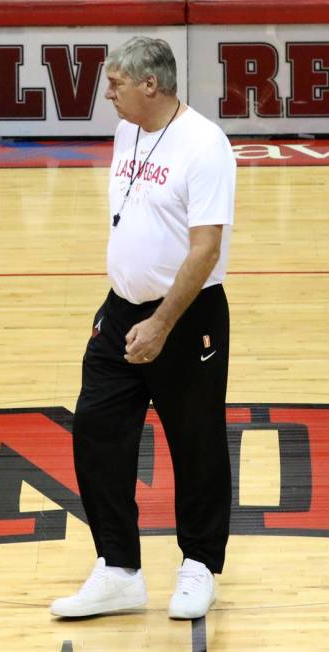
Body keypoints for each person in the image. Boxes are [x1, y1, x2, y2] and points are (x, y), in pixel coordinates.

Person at [50, 36, 235, 620]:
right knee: (97, 433)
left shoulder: (205, 146)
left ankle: (199, 564)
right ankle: (119, 569)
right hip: (123, 310)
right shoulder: (129, 128)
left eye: (117, 83)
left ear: (150, 84)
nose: (109, 93)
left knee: (195, 442)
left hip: (186, 316)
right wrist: (122, 302)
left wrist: (160, 322)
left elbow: (205, 249)